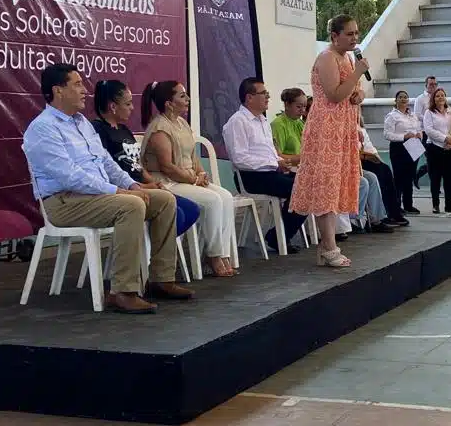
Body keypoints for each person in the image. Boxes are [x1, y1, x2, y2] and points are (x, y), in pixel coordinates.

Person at [22, 63, 191, 314]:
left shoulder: (81, 122)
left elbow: (105, 162)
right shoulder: (43, 128)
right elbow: (70, 177)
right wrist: (118, 192)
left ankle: (161, 279)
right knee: (131, 205)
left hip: (94, 196)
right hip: (63, 202)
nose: (84, 90)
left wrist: (132, 184)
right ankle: (122, 291)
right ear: (58, 91)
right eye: (77, 84)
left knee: (165, 199)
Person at [290, 15, 370, 268]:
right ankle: (328, 245)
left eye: (356, 33)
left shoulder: (347, 57)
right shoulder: (326, 58)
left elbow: (350, 92)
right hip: (326, 129)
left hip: (343, 127)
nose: (354, 38)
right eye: (349, 34)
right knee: (327, 185)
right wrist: (357, 72)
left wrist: (359, 94)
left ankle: (327, 245)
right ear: (334, 36)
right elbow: (334, 95)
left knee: (337, 185)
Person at [139, 80, 238, 278]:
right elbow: (167, 167)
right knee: (212, 200)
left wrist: (201, 174)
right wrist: (193, 180)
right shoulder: (160, 128)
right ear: (168, 103)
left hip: (186, 180)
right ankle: (213, 255)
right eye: (182, 96)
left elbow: (193, 157)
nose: (188, 100)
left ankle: (223, 253)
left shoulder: (182, 123)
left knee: (225, 196)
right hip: (167, 183)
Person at [91, 79, 201, 241]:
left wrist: (154, 183)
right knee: (177, 214)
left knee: (191, 209)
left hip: (143, 185)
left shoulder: (124, 130)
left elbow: (137, 166)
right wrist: (141, 186)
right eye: (128, 104)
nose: (132, 108)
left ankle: (150, 247)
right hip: (125, 190)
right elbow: (109, 171)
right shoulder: (98, 130)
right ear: (113, 107)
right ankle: (148, 250)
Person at [223, 78, 307, 254]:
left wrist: (280, 162)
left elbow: (269, 152)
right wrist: (273, 162)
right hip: (251, 177)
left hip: (270, 172)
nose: (268, 97)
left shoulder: (261, 120)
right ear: (249, 98)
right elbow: (240, 159)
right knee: (303, 190)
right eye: (264, 94)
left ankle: (278, 235)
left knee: (311, 184)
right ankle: (278, 237)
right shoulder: (238, 122)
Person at [359, 113, 408, 227]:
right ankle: (378, 215)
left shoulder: (360, 128)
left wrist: (376, 157)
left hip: (368, 156)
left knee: (385, 170)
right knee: (375, 176)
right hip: (359, 160)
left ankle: (392, 211)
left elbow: (369, 146)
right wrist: (367, 156)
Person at [423, 87, 451, 214]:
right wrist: (445, 139)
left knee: (449, 178)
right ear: (433, 99)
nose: (440, 98)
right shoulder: (429, 112)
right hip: (435, 149)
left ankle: (449, 205)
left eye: (442, 95)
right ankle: (436, 205)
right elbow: (429, 130)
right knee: (435, 178)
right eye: (437, 96)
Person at [384, 90, 423, 214]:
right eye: (400, 97)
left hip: (413, 146)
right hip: (399, 148)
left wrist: (419, 135)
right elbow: (387, 134)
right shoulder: (392, 116)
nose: (403, 99)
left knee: (410, 176)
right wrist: (404, 136)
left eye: (405, 97)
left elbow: (419, 128)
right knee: (399, 178)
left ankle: (408, 204)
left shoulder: (412, 115)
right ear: (396, 100)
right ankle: (396, 206)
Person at [272, 88, 307, 165]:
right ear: (287, 105)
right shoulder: (278, 125)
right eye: (298, 107)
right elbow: (276, 156)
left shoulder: (300, 123)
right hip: (288, 170)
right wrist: (304, 158)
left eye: (304, 107)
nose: (303, 110)